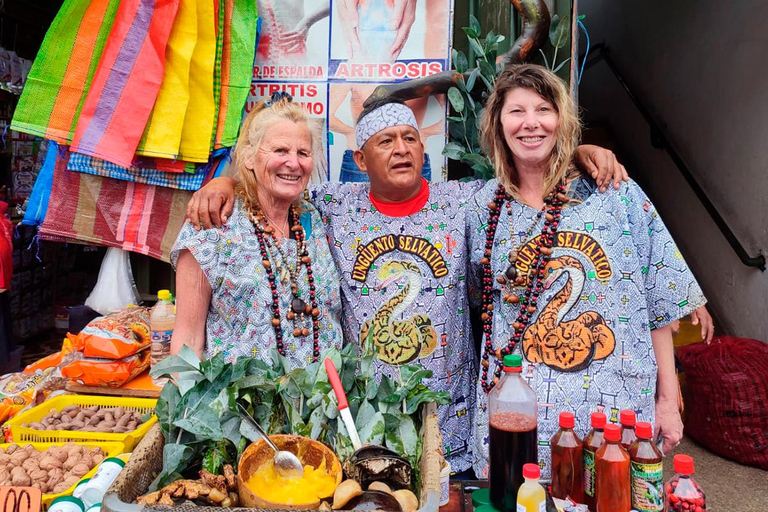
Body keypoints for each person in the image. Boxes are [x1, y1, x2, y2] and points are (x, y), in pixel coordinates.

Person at [186, 98, 627, 474]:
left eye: (410, 139)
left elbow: (528, 173)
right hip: (354, 418)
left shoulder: (464, 201)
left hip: (444, 418)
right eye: (385, 141)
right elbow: (268, 183)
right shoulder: (329, 206)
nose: (401, 150)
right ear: (360, 161)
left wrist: (578, 152)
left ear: (424, 150)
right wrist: (224, 182)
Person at [466, 64, 708, 480]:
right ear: (497, 124)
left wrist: (668, 399)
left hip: (611, 418)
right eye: (516, 111)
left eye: (543, 109)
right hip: (519, 419)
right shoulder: (483, 207)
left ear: (561, 119)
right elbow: (478, 302)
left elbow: (659, 298)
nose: (531, 123)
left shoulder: (614, 191)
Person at [169, 92, 343, 367]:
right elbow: (187, 341)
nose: (294, 163)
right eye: (280, 150)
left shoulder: (318, 218)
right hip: (241, 406)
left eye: (303, 153)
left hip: (321, 405)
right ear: (248, 157)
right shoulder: (212, 226)